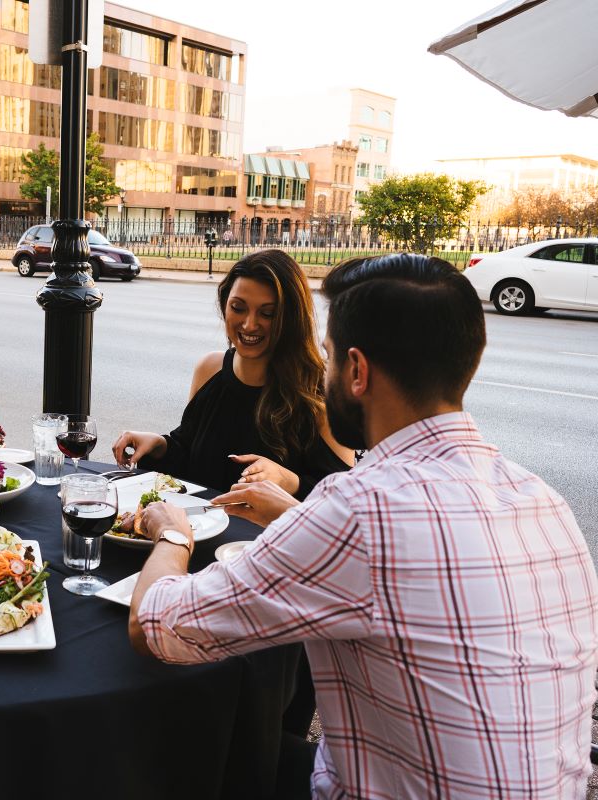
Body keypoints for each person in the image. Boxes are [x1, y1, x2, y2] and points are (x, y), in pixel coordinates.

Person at [128, 253, 598, 798]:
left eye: (327, 360)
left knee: (182, 753)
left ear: (356, 370)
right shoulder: (544, 500)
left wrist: (172, 533)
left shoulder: (361, 508)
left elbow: (156, 627)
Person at [112, 249, 352, 499]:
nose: (249, 324)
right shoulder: (210, 368)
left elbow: (345, 499)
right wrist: (159, 445)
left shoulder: (322, 389)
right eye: (238, 308)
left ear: (291, 319)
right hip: (196, 531)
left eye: (267, 313)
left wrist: (287, 480)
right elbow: (189, 458)